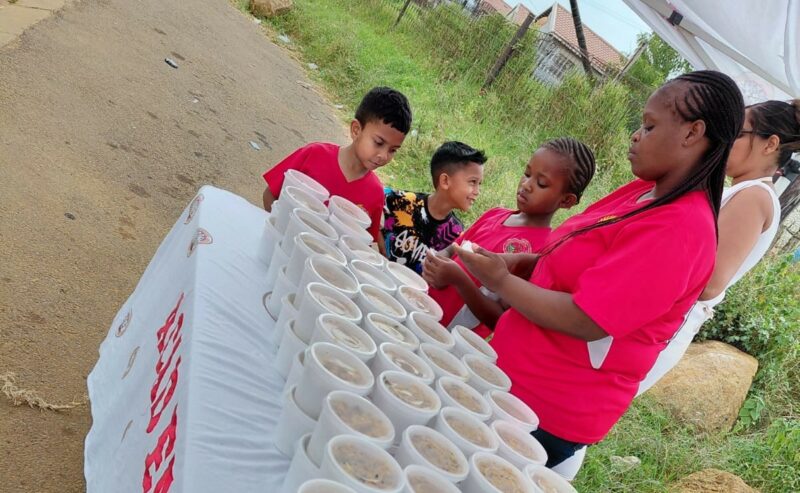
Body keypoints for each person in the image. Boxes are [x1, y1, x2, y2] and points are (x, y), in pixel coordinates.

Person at [453, 70, 745, 468]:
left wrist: (501, 280)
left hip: (544, 408)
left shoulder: (681, 228)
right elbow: (578, 254)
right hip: (512, 376)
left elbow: (588, 318)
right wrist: (526, 263)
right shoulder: (646, 192)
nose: (636, 135)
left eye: (649, 125)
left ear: (692, 133)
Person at [638, 99, 797, 394]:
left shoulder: (755, 197)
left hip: (668, 321)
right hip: (663, 315)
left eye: (738, 133)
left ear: (770, 144)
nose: (725, 140)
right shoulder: (739, 190)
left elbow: (709, 281)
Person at [422, 138, 596, 338]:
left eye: (541, 183)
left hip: (448, 337)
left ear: (566, 200)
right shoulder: (495, 214)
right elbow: (457, 247)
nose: (526, 185)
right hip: (425, 306)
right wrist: (439, 258)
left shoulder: (538, 253)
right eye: (527, 173)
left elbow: (498, 319)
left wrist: (459, 280)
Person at [262, 87, 412, 248]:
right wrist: (282, 228)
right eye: (379, 143)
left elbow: (362, 245)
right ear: (356, 130)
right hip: (281, 246)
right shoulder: (313, 155)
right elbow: (271, 194)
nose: (384, 155)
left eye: (393, 150)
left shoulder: (375, 193)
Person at [382, 141, 486, 273]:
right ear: (445, 181)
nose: (477, 191)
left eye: (479, 184)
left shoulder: (456, 235)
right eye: (472, 182)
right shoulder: (398, 201)